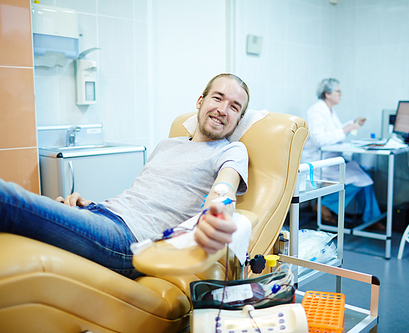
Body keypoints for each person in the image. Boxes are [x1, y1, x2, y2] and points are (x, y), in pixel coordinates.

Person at [0, 73, 250, 279]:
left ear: (238, 121)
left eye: (234, 107)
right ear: (200, 101)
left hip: (131, 241)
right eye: (218, 98)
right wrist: (87, 207)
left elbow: (223, 191)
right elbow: (139, 197)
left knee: (10, 201)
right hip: (102, 214)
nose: (222, 109)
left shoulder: (231, 150)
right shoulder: (167, 144)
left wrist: (215, 216)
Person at [301, 78, 381, 225]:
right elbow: (319, 139)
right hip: (320, 163)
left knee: (364, 175)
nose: (341, 94)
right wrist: (345, 129)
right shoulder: (316, 111)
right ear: (327, 94)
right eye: (338, 91)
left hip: (332, 160)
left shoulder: (329, 110)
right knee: (360, 177)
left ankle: (372, 218)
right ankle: (325, 205)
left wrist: (352, 124)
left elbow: (334, 133)